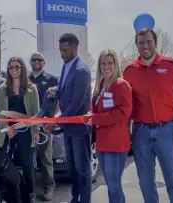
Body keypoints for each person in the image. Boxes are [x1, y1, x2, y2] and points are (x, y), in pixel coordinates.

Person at [123, 28, 173, 203]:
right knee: (145, 181)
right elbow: (127, 105)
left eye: (149, 41)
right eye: (141, 42)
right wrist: (126, 132)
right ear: (136, 45)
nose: (145, 46)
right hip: (140, 132)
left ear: (156, 43)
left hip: (166, 130)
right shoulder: (129, 71)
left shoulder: (172, 65)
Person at [45, 33, 92, 203]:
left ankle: (85, 200)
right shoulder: (66, 66)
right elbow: (65, 87)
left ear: (74, 48)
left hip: (79, 129)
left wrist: (54, 121)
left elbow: (76, 104)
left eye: (64, 50)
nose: (61, 54)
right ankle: (75, 198)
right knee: (73, 167)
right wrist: (55, 90)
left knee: (83, 168)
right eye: (60, 50)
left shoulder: (82, 71)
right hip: (68, 128)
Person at [87, 49, 132, 203]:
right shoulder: (100, 85)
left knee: (114, 185)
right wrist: (90, 115)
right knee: (110, 184)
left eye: (110, 63)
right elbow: (97, 110)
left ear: (116, 64)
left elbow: (123, 112)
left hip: (116, 143)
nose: (106, 67)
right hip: (101, 143)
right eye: (103, 63)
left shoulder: (121, 85)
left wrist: (96, 119)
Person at [0, 57, 40, 203]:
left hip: (26, 132)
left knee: (27, 164)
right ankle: (5, 195)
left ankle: (30, 195)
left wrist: (35, 130)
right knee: (4, 163)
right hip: (8, 132)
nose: (13, 70)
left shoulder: (31, 88)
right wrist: (7, 129)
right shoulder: (2, 89)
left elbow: (36, 112)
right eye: (11, 67)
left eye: (17, 67)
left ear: (22, 69)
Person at [28, 52, 58, 201]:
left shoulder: (52, 80)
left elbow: (55, 103)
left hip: (45, 123)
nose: (36, 62)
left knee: (45, 158)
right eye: (33, 60)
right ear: (30, 62)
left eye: (39, 59)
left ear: (44, 62)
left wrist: (48, 120)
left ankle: (49, 188)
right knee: (28, 157)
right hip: (28, 124)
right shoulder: (24, 79)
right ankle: (30, 188)